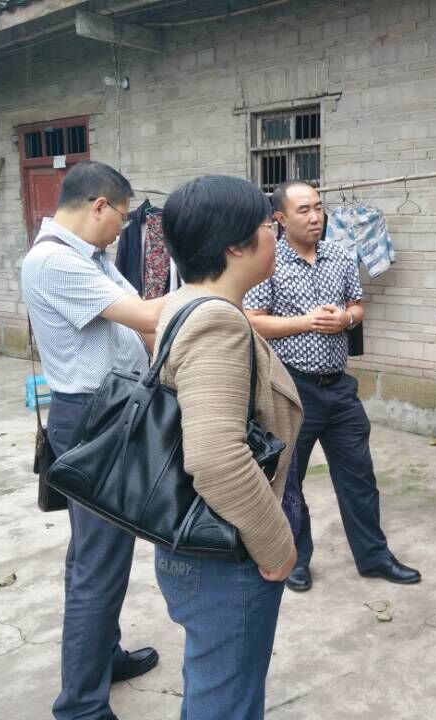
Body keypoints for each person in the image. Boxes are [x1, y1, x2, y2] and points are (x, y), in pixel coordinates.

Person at [154, 175, 302, 718]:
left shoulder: (186, 301)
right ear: (235, 245)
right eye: (268, 225)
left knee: (216, 690)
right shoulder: (217, 320)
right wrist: (277, 545)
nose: (275, 236)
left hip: (202, 545)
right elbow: (217, 459)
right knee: (226, 704)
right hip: (226, 552)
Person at [21, 161, 163, 720]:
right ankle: (81, 705)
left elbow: (140, 324)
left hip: (108, 412)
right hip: (92, 418)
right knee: (99, 564)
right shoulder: (55, 261)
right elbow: (145, 312)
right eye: (122, 217)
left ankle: (103, 656)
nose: (124, 228)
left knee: (94, 555)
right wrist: (209, 293)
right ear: (99, 205)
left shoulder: (92, 257)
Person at [245, 180, 420, 591]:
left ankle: (374, 557)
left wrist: (346, 319)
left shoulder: (340, 254)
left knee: (359, 477)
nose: (315, 217)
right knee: (289, 481)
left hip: (339, 389)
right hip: (292, 390)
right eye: (304, 210)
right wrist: (306, 322)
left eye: (318, 208)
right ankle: (295, 557)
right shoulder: (268, 260)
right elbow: (252, 320)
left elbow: (357, 306)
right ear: (280, 218)